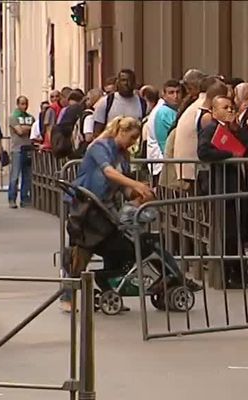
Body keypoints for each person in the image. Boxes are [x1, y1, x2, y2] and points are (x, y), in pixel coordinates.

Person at [62, 116, 154, 312]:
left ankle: (109, 293)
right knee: (81, 251)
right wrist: (135, 184)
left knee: (114, 249)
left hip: (106, 207)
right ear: (120, 132)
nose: (133, 142)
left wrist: (139, 194)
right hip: (86, 206)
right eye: (132, 137)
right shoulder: (100, 147)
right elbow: (109, 172)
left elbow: (123, 187)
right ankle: (68, 297)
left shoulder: (123, 155)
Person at [197, 95, 248, 288]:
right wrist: (228, 155)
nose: (230, 110)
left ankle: (240, 272)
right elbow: (204, 152)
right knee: (228, 232)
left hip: (237, 185)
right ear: (215, 112)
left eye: (232, 107)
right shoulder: (210, 129)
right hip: (220, 185)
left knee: (239, 230)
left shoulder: (234, 129)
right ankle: (228, 274)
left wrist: (237, 129)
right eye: (225, 107)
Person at [93, 69, 147, 135]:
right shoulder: (106, 102)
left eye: (130, 80)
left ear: (134, 83)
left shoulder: (142, 103)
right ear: (117, 83)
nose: (126, 83)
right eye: (123, 80)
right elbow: (97, 131)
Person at [147, 80, 181, 184]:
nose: (175, 96)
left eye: (178, 92)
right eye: (171, 93)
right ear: (164, 94)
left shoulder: (168, 110)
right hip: (163, 164)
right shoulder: (164, 112)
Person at [7, 96, 35, 208]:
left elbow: (34, 129)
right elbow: (19, 131)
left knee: (27, 175)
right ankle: (12, 199)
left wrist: (25, 128)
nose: (24, 106)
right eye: (22, 103)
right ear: (18, 104)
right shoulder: (13, 117)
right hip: (17, 149)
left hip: (28, 148)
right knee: (15, 175)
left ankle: (25, 198)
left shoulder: (30, 117)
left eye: (26, 103)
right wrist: (28, 128)